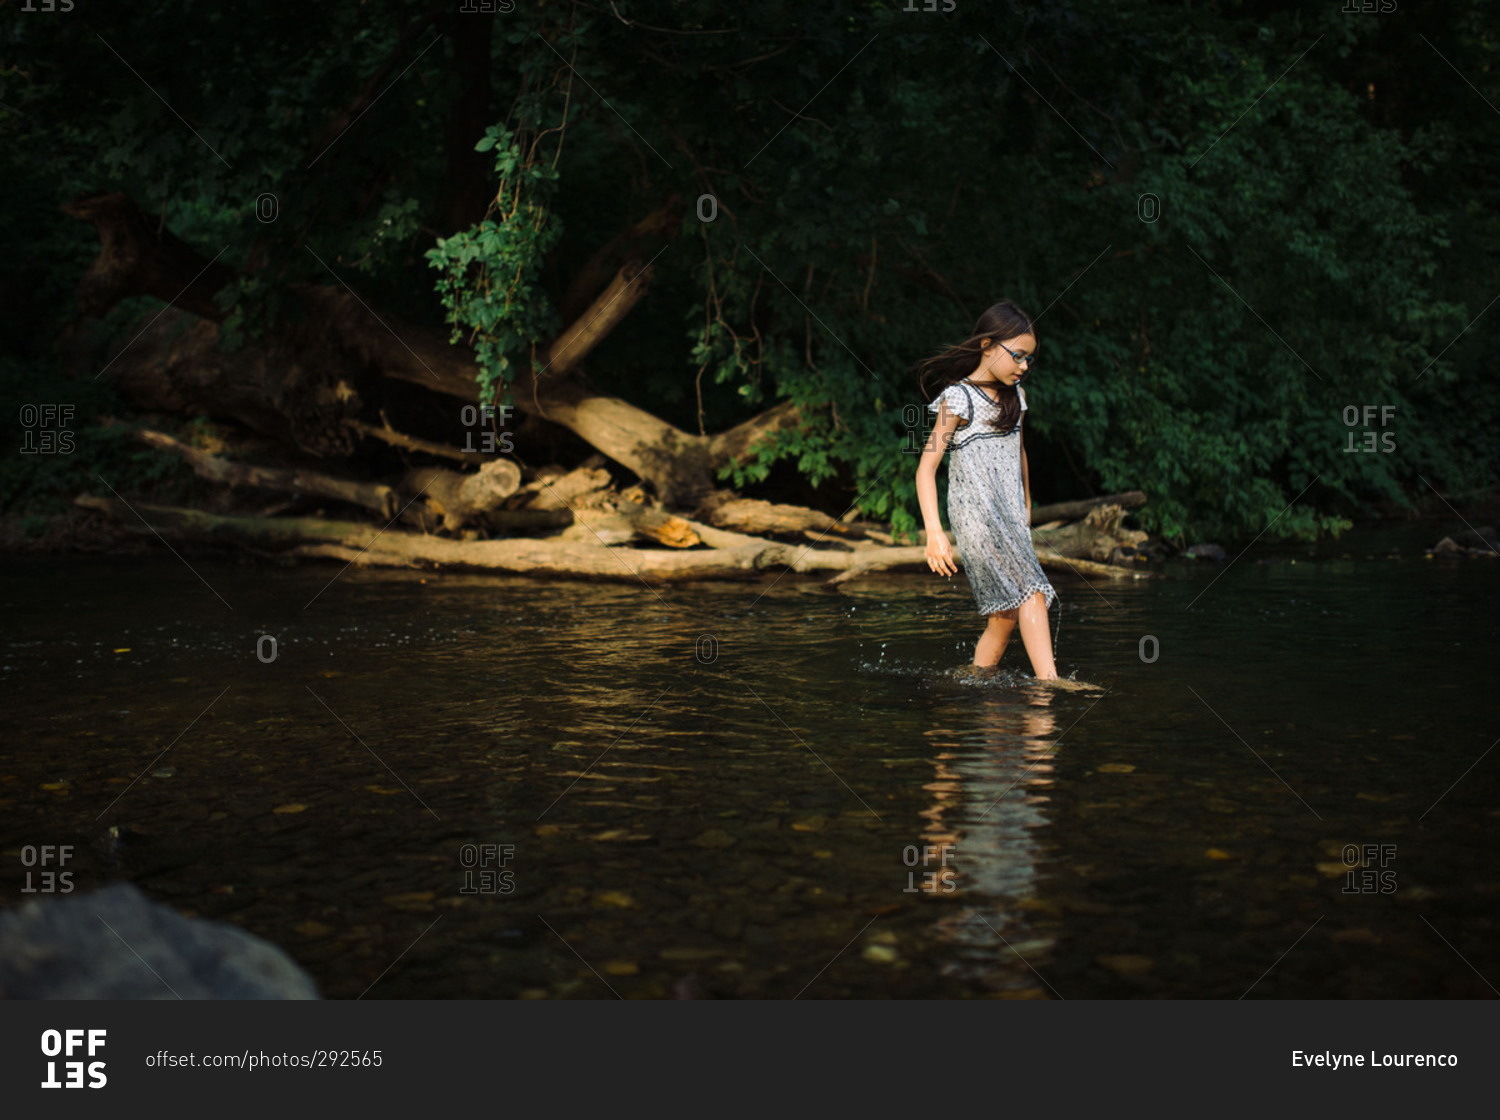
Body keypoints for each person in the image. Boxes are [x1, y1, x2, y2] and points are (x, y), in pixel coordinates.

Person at [914, 299, 1063, 681]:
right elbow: (926, 469)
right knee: (1031, 591)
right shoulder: (958, 398)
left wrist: (1026, 506)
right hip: (977, 519)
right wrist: (934, 533)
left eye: (1029, 359)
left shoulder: (1016, 398)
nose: (1024, 367)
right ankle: (1051, 685)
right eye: (1017, 356)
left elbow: (1020, 453)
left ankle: (974, 681)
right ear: (987, 346)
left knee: (1005, 618)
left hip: (1010, 516)